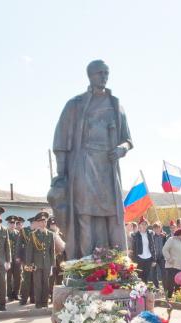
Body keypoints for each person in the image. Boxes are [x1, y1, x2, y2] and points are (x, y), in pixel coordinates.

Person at [50, 60, 132, 259]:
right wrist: (62, 174)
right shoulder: (75, 104)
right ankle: (85, 265)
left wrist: (122, 149)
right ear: (90, 76)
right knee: (84, 215)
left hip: (108, 168)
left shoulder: (116, 104)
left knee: (112, 216)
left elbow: (128, 140)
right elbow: (61, 141)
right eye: (99, 73)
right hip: (83, 166)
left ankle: (117, 263)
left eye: (106, 73)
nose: (103, 76)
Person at [25, 212, 56, 308]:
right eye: (41, 221)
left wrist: (52, 265)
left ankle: (45, 302)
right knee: (37, 284)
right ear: (38, 223)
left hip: (47, 263)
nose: (43, 223)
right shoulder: (33, 235)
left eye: (45, 221)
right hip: (36, 264)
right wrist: (29, 264)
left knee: (46, 284)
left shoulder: (50, 234)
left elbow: (52, 251)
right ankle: (38, 303)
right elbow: (29, 251)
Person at [162, 228, 181, 298]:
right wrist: (168, 258)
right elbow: (164, 250)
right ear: (180, 234)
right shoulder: (171, 239)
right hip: (172, 265)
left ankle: (177, 297)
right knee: (170, 283)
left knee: (179, 283)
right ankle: (168, 297)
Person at [130, 217, 155, 282]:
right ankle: (139, 291)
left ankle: (145, 291)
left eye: (145, 224)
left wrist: (154, 260)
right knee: (139, 277)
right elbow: (134, 248)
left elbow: (152, 247)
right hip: (139, 258)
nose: (144, 226)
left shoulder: (150, 233)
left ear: (147, 225)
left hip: (149, 258)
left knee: (146, 277)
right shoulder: (135, 235)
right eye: (142, 224)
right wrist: (134, 260)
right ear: (139, 225)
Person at [17, 217, 35, 306]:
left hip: (35, 259)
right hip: (26, 259)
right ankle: (24, 299)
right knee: (26, 279)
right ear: (31, 223)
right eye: (33, 223)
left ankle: (33, 298)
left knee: (34, 279)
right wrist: (18, 256)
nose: (34, 225)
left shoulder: (38, 231)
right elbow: (19, 244)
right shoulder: (24, 231)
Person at [5, 215, 22, 301]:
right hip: (7, 260)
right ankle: (9, 295)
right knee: (8, 278)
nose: (12, 225)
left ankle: (16, 294)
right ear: (7, 224)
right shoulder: (4, 233)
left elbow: (21, 247)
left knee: (18, 277)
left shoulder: (18, 233)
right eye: (11, 223)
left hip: (17, 260)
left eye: (14, 223)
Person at [149, 221, 166, 289]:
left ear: (160, 228)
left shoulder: (163, 236)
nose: (156, 229)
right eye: (155, 228)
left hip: (162, 256)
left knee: (164, 272)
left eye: (158, 228)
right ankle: (157, 286)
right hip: (154, 257)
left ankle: (165, 286)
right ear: (153, 229)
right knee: (153, 273)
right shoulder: (151, 236)